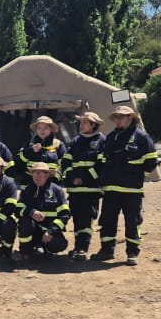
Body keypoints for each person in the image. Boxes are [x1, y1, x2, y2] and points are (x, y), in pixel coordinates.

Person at [95, 105, 157, 266]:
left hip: (132, 190)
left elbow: (151, 161)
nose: (118, 120)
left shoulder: (141, 137)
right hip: (111, 190)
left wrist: (136, 176)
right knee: (107, 221)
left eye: (121, 117)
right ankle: (107, 250)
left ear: (130, 118)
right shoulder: (110, 137)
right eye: (116, 117)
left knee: (133, 222)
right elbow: (103, 160)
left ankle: (132, 253)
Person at [60, 111, 106, 261]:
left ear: (93, 125)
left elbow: (101, 165)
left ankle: (82, 249)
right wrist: (72, 177)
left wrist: (84, 178)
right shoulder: (75, 141)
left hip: (91, 190)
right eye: (81, 122)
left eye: (85, 122)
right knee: (77, 220)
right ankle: (77, 247)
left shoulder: (101, 141)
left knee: (86, 220)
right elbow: (65, 161)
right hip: (75, 189)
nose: (82, 125)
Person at [17, 162, 71, 261]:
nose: (36, 176)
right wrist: (31, 212)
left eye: (40, 173)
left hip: (49, 230)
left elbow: (64, 215)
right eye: (34, 173)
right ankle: (26, 251)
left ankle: (47, 249)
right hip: (32, 230)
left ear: (47, 174)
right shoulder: (27, 190)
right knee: (25, 223)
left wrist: (51, 231)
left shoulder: (57, 191)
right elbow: (18, 209)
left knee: (59, 244)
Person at [17, 116, 66, 186]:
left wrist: (56, 177)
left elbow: (64, 164)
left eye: (45, 128)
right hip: (30, 184)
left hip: (51, 184)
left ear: (51, 129)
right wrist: (30, 151)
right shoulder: (30, 144)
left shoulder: (58, 144)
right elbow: (19, 162)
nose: (42, 130)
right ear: (36, 130)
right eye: (39, 128)